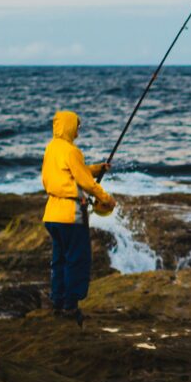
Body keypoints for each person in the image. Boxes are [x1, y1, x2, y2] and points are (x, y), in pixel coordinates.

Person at [41, 110, 116, 325]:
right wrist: (107, 199)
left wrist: (97, 168)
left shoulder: (51, 148)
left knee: (59, 261)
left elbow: (72, 173)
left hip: (52, 215)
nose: (78, 132)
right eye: (77, 127)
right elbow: (86, 184)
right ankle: (71, 308)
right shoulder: (71, 150)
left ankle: (58, 303)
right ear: (70, 126)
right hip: (71, 217)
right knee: (77, 261)